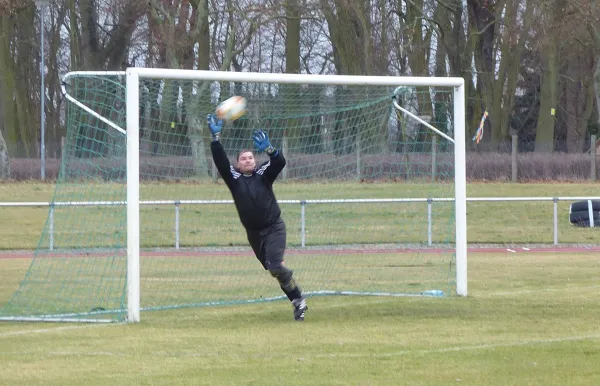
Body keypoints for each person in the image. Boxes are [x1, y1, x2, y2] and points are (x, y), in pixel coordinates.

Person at [207, 114, 308, 321]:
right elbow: (220, 162)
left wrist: (270, 149)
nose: (247, 160)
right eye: (243, 158)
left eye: (251, 157)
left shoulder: (263, 173)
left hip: (274, 227)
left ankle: (297, 298)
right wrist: (216, 139)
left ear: (255, 160)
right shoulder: (233, 178)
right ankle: (298, 301)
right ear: (238, 163)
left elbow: (279, 162)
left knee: (275, 266)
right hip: (254, 234)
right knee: (274, 270)